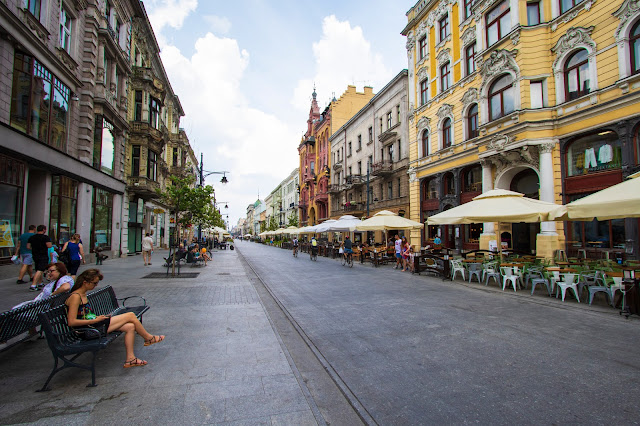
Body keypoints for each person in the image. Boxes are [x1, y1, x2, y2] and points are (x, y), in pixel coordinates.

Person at [65, 269, 165, 368]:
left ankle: (131, 359)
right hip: (88, 331)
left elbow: (84, 315)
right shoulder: (75, 297)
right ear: (85, 282)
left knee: (130, 326)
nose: (95, 286)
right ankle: (148, 338)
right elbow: (71, 321)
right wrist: (95, 320)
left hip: (93, 326)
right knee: (130, 315)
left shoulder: (82, 294)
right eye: (94, 283)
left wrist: (97, 318)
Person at [27, 225, 52, 291]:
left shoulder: (32, 237)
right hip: (43, 255)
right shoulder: (45, 237)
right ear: (43, 230)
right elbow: (49, 246)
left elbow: (28, 247)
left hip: (35, 254)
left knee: (38, 268)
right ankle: (33, 285)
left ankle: (40, 283)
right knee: (40, 270)